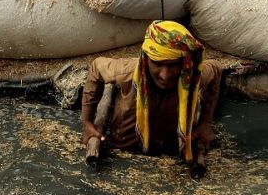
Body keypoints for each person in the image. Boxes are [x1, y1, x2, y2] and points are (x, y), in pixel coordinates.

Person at [80, 20, 220, 178]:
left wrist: (205, 123)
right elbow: (96, 67)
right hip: (121, 149)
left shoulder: (192, 78)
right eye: (157, 64)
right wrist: (87, 123)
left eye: (173, 65)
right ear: (146, 60)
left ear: (184, 63)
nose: (164, 75)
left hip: (170, 156)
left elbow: (216, 69)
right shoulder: (127, 72)